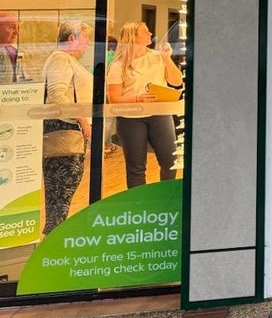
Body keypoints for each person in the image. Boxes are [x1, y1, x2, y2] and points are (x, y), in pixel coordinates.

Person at [105, 21, 183, 187]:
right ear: (133, 37)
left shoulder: (158, 56)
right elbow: (114, 98)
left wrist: (167, 59)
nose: (150, 33)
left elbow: (177, 82)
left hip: (160, 115)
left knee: (170, 162)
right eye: (145, 31)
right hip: (130, 119)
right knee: (136, 168)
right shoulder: (118, 65)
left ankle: (166, 197)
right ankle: (139, 201)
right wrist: (137, 98)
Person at [41, 21, 93, 233]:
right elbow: (56, 96)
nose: (87, 45)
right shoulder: (60, 59)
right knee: (61, 189)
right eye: (86, 40)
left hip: (69, 128)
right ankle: (54, 235)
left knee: (64, 189)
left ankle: (55, 234)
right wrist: (82, 119)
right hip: (64, 129)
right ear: (72, 38)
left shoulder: (66, 60)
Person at [0, 10, 27, 84]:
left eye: (17, 27)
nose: (16, 33)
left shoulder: (13, 52)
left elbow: (21, 80)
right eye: (12, 27)